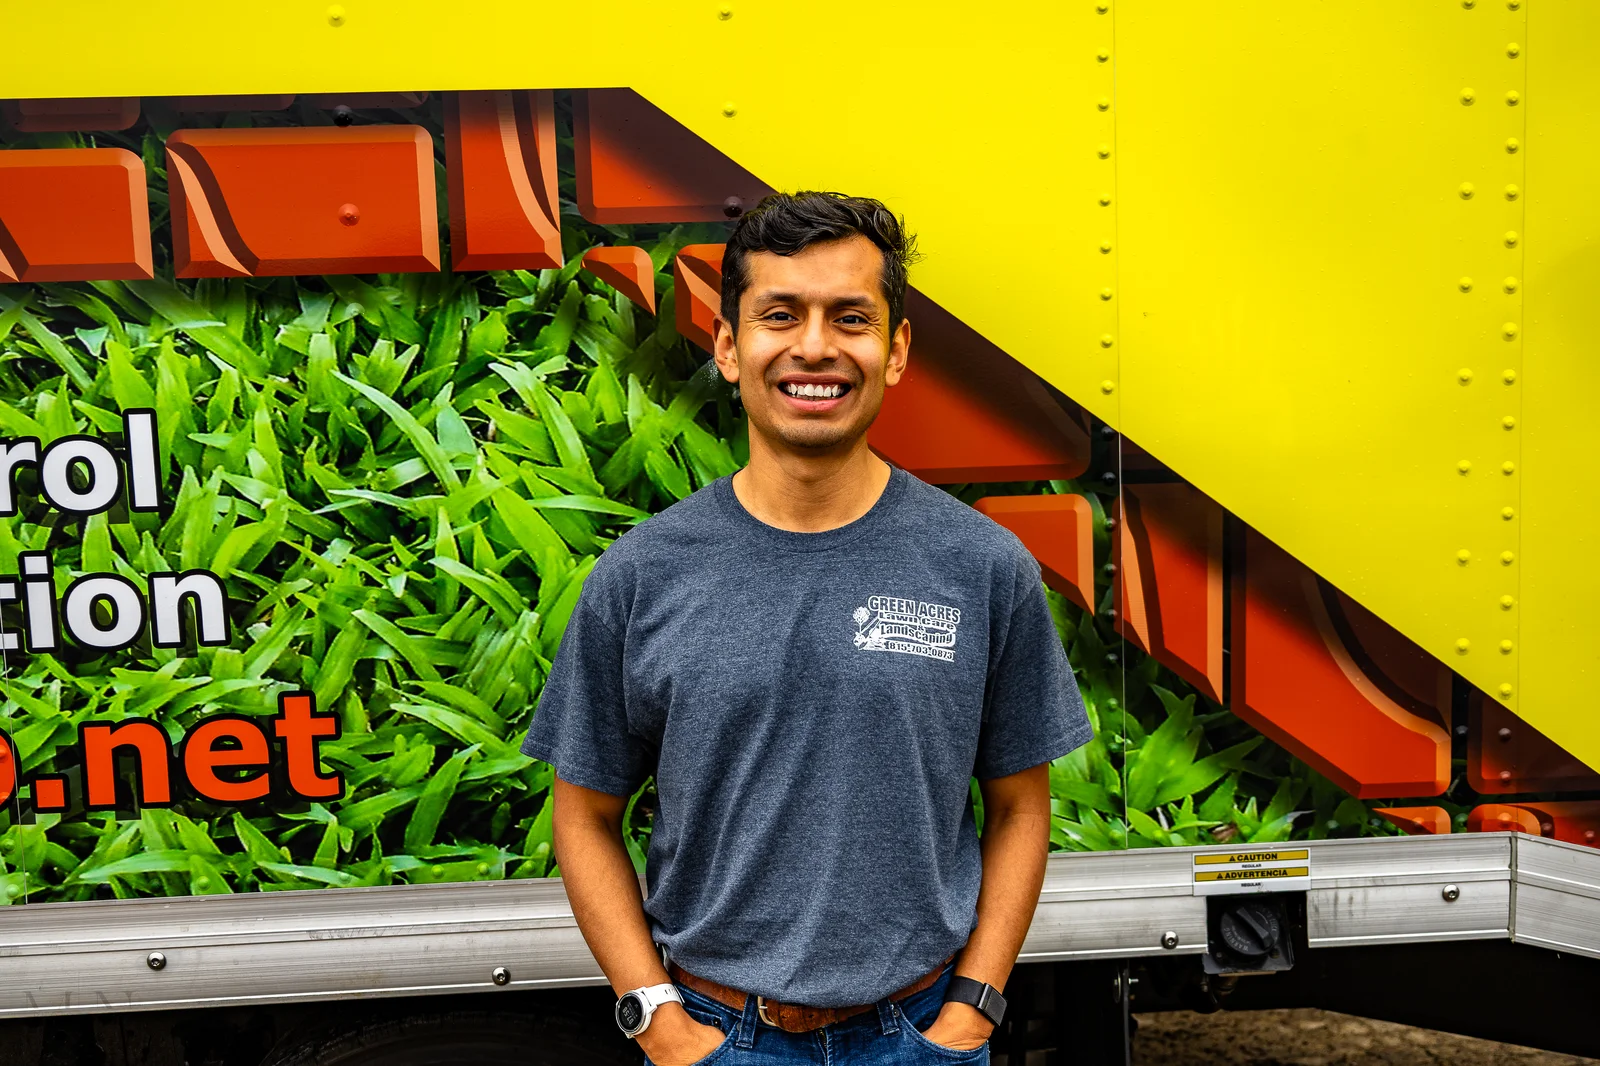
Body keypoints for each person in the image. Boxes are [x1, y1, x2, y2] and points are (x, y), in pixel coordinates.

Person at [522, 191, 1092, 1065]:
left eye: (851, 317)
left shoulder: (982, 566)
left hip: (919, 1034)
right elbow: (584, 815)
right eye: (779, 314)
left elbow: (1020, 804)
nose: (816, 346)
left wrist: (972, 1010)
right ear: (727, 346)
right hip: (717, 1038)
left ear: (895, 350)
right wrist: (658, 1021)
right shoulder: (641, 576)